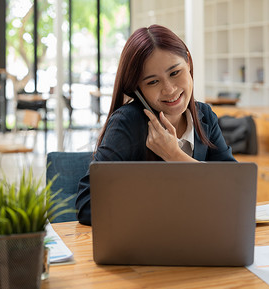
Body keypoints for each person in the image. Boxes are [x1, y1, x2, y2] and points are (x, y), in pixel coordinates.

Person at [75, 24, 236, 226]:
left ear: (188, 62)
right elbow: (88, 205)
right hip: (145, 246)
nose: (169, 89)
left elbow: (236, 191)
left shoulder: (205, 117)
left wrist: (175, 156)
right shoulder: (127, 123)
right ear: (137, 89)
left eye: (175, 72)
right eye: (152, 82)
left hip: (201, 239)